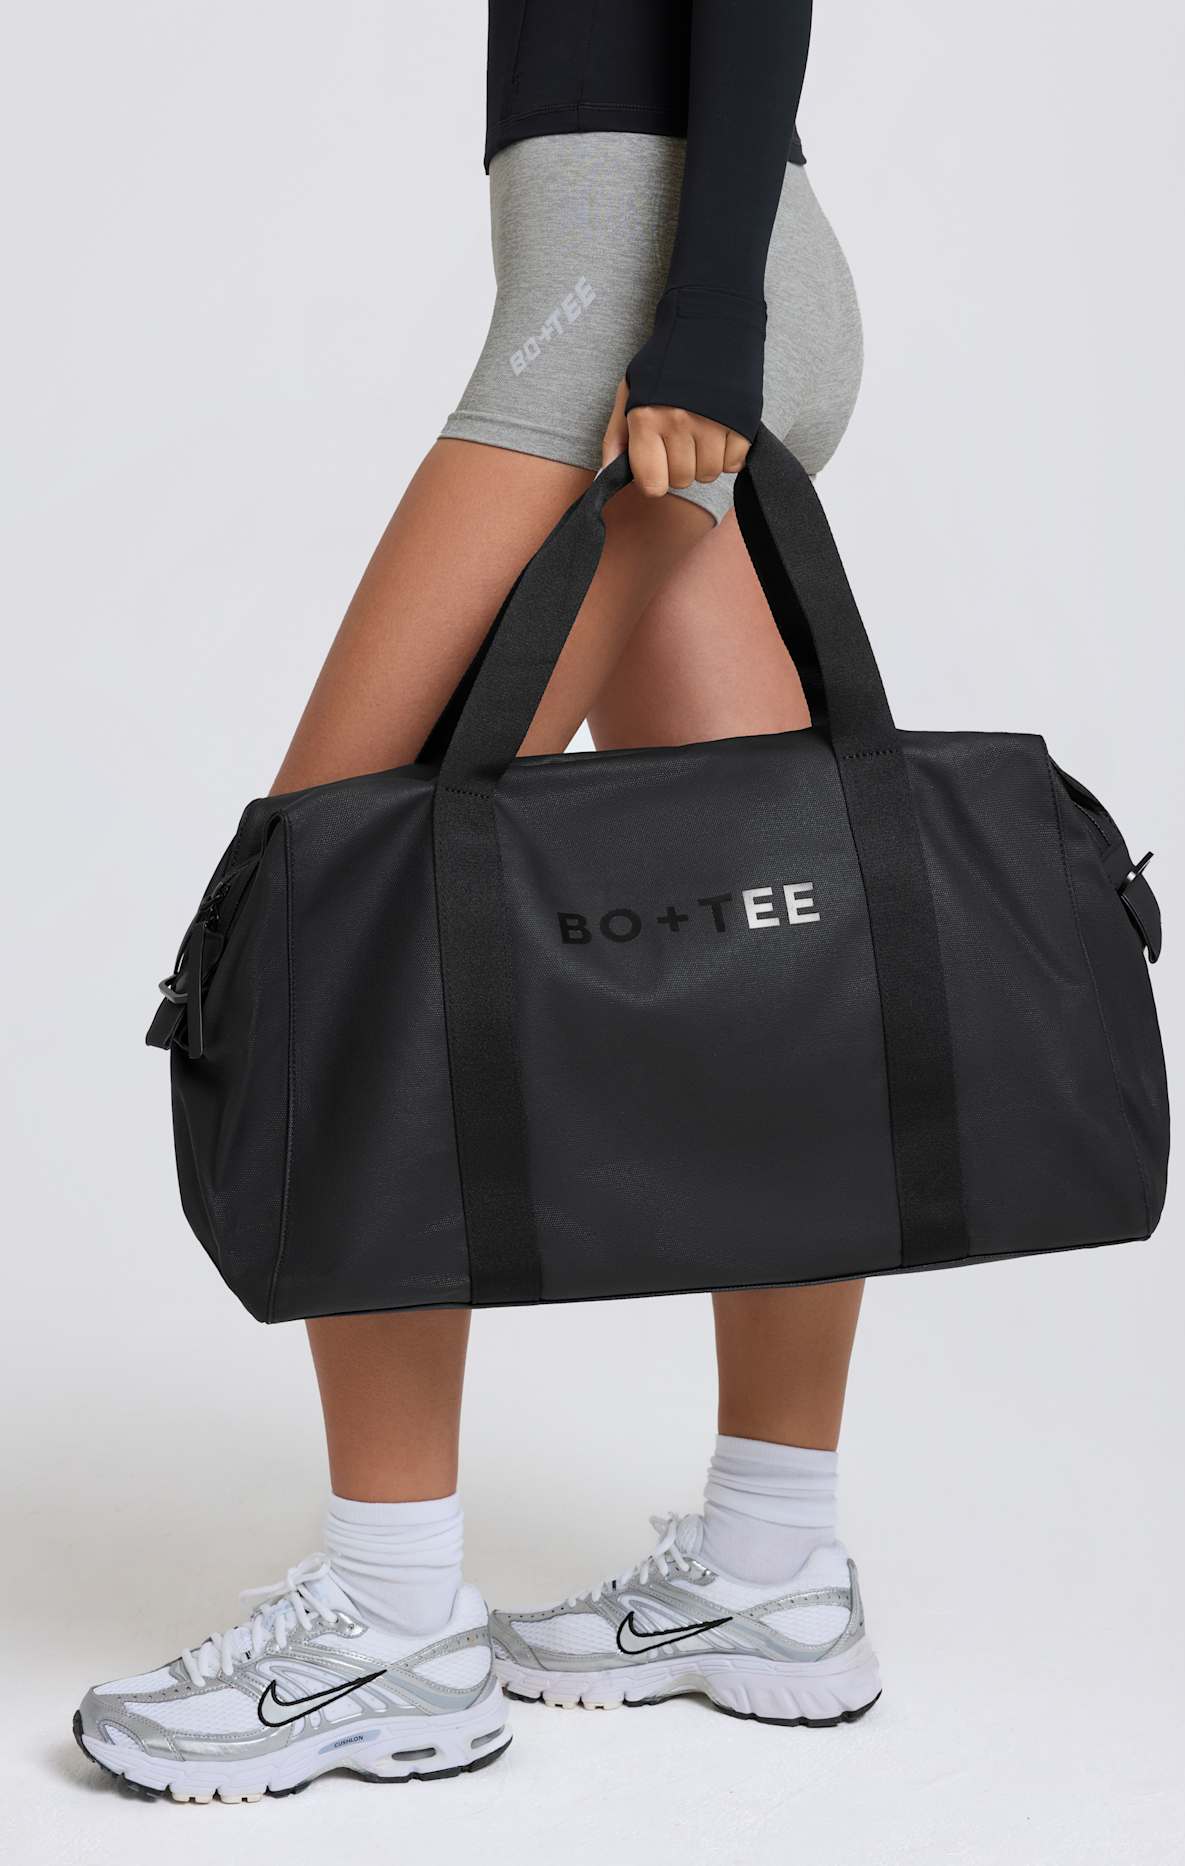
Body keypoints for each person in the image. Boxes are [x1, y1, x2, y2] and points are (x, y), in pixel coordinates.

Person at [74, 1, 877, 1802]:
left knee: (345, 913)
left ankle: (390, 1621)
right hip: (687, 269)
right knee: (774, 952)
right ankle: (774, 1565)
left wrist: (704, 321)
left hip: (633, 304)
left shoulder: (655, 310)